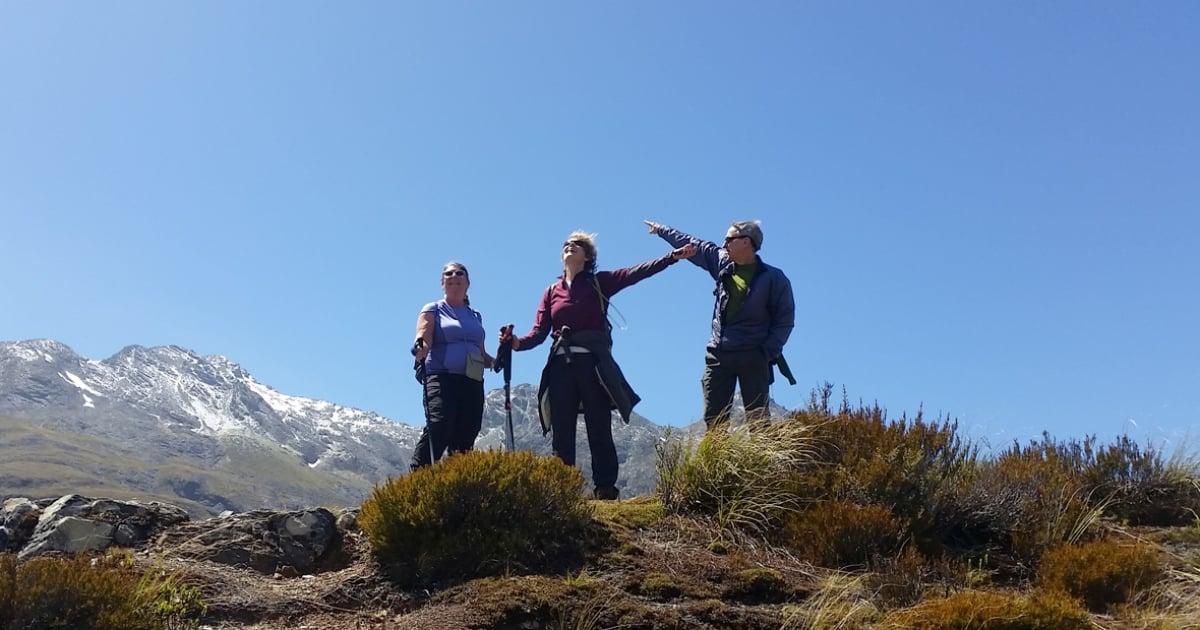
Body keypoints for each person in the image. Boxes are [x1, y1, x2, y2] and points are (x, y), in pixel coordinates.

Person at [499, 232, 696, 500]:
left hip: (593, 365)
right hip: (560, 366)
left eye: (578, 245)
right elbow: (539, 332)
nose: (570, 246)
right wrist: (516, 343)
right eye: (566, 244)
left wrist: (671, 257)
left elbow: (634, 273)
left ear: (588, 256)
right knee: (562, 428)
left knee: (599, 426)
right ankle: (562, 489)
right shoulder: (550, 292)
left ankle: (605, 489)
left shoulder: (598, 282)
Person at [644, 220, 795, 430]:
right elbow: (692, 243)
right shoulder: (722, 263)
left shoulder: (774, 279)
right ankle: (717, 461)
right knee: (714, 421)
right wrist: (661, 230)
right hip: (719, 354)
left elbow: (785, 320)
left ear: (746, 242)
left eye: (729, 239)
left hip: (754, 356)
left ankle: (761, 462)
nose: (724, 244)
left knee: (758, 421)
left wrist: (767, 351)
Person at [409, 262, 494, 471]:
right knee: (440, 424)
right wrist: (420, 346)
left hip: (472, 380)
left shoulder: (475, 315)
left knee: (468, 431)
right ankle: (419, 475)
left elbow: (481, 352)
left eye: (459, 273)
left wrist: (498, 360)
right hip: (441, 376)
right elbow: (424, 336)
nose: (454, 276)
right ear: (442, 282)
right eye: (448, 273)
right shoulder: (433, 309)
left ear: (467, 282)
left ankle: (457, 484)